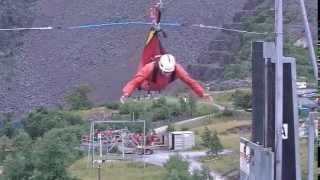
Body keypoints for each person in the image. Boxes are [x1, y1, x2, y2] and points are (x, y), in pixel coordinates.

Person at [120, 54, 212, 103]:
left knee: (183, 78)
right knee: (140, 82)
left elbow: (190, 81)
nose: (167, 74)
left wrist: (202, 94)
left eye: (169, 72)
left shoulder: (178, 69)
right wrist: (126, 94)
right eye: (165, 71)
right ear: (160, 66)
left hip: (162, 85)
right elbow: (135, 81)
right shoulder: (150, 68)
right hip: (148, 85)